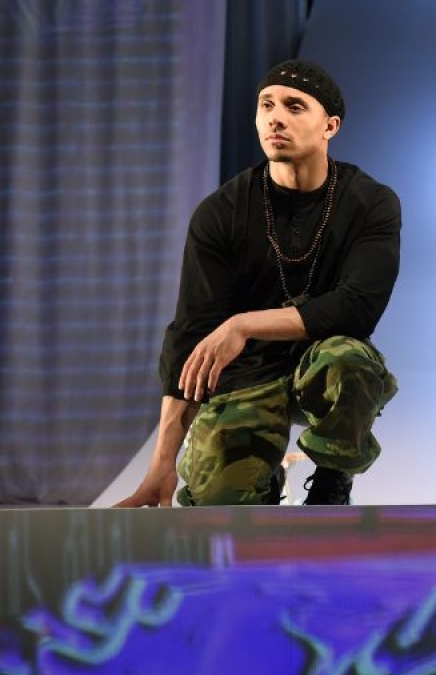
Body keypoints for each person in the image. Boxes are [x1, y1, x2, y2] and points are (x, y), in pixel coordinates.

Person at [116, 59, 400, 507]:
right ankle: (258, 482)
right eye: (266, 105)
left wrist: (243, 324)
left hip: (321, 366)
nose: (275, 117)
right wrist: (160, 468)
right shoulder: (221, 211)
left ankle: (332, 479)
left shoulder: (370, 203)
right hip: (246, 378)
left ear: (330, 126)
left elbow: (358, 307)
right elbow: (190, 336)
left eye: (294, 106)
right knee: (219, 501)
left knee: (350, 362)